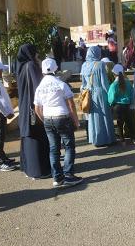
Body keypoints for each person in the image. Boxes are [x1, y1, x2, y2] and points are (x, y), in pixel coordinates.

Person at [34, 58, 83, 188]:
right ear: (55, 69)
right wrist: (76, 121)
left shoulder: (40, 87)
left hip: (48, 118)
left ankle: (57, 178)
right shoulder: (61, 84)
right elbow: (71, 104)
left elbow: (37, 108)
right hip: (62, 116)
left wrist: (44, 120)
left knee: (54, 149)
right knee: (69, 146)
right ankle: (68, 175)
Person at [16, 44, 51, 179]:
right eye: (35, 52)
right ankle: (39, 170)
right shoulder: (31, 65)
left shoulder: (21, 66)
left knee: (28, 137)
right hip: (33, 107)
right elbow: (38, 86)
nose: (37, 55)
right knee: (38, 138)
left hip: (25, 107)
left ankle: (29, 169)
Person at [81, 46, 116, 147]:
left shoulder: (84, 65)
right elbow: (104, 83)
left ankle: (96, 139)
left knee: (93, 117)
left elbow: (83, 83)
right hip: (100, 93)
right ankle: (107, 139)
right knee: (104, 115)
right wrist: (110, 96)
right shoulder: (100, 64)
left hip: (89, 93)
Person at [107, 64, 135, 146]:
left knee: (119, 123)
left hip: (118, 106)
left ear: (114, 74)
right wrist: (132, 104)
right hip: (127, 105)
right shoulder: (128, 83)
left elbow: (111, 98)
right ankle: (134, 138)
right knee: (129, 122)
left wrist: (111, 104)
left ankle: (122, 140)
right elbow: (132, 95)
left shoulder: (113, 85)